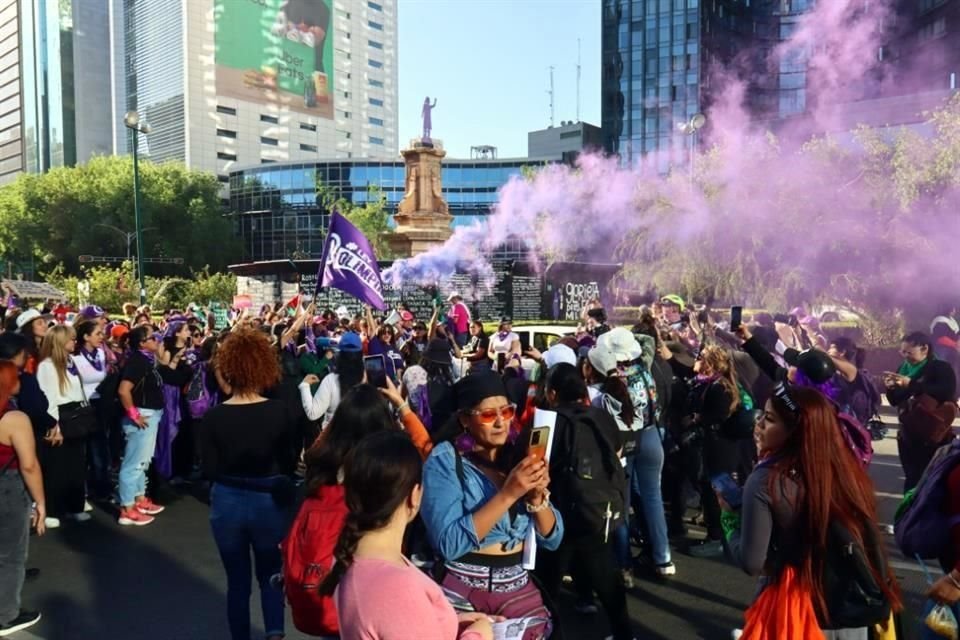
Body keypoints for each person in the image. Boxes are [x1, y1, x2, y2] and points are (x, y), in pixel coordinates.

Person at [723, 385, 900, 638]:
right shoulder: (845, 471)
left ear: (796, 432)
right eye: (762, 414)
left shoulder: (765, 480)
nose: (759, 423)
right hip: (852, 614)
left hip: (798, 612)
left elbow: (752, 562)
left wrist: (729, 521)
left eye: (770, 419)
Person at [421, 373, 562, 639]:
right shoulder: (445, 460)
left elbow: (553, 539)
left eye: (507, 411)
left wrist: (536, 499)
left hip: (518, 586)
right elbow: (448, 543)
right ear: (464, 419)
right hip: (462, 590)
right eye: (487, 415)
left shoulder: (518, 457)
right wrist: (508, 494)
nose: (500, 422)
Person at [319, 430, 494, 640]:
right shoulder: (393, 585)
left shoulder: (354, 559)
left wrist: (448, 621)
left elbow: (396, 624)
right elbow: (395, 612)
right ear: (415, 495)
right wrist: (480, 634)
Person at [200, 328, 297, 640]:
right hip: (268, 500)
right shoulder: (278, 411)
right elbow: (289, 460)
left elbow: (209, 469)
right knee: (270, 574)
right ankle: (274, 633)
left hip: (227, 501)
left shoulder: (213, 417)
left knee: (237, 582)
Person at [536, 363, 634, 640]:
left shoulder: (546, 420)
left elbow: (530, 460)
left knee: (548, 584)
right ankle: (623, 632)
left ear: (552, 393)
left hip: (558, 511)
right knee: (606, 574)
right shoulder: (601, 416)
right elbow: (617, 450)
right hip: (599, 508)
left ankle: (548, 634)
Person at [584, 334, 674, 583]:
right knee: (653, 498)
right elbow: (647, 338)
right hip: (651, 435)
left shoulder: (611, 380)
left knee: (620, 504)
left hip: (624, 441)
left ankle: (623, 564)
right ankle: (663, 558)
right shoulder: (644, 368)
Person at [659, 341, 744, 556]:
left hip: (719, 449)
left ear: (711, 364)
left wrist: (698, 418)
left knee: (716, 493)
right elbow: (681, 367)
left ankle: (718, 539)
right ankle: (717, 536)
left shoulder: (720, 387)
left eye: (701, 357)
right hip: (709, 447)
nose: (696, 359)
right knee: (709, 490)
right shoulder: (704, 382)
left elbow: (721, 414)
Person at [0, 361, 45, 637]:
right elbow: (29, 465)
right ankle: (5, 616)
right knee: (10, 556)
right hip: (6, 489)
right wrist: (40, 502)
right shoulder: (14, 419)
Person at [885, 331, 958, 492]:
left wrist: (911, 384)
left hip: (932, 433)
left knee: (930, 479)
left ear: (925, 349)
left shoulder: (940, 367)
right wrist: (891, 388)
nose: (905, 356)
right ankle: (909, 513)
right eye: (902, 352)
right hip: (908, 434)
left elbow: (948, 392)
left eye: (909, 352)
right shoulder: (904, 368)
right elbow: (894, 400)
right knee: (912, 477)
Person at [35, 325, 90, 524]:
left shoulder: (71, 361)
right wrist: (54, 427)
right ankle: (53, 510)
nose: (75, 342)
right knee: (57, 467)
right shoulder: (47, 366)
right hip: (60, 415)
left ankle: (75, 505)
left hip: (77, 415)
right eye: (71, 339)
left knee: (76, 465)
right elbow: (48, 398)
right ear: (59, 341)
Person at [116, 326, 169, 526]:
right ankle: (127, 508)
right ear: (142, 343)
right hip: (143, 414)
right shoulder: (137, 362)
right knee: (134, 463)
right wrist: (134, 415)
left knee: (142, 462)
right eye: (152, 338)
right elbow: (124, 390)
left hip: (150, 414)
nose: (157, 340)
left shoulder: (146, 360)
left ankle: (138, 499)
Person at [72, 320, 112, 501]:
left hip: (100, 405)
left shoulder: (102, 354)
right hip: (82, 406)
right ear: (86, 337)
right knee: (84, 450)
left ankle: (101, 487)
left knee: (100, 448)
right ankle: (83, 487)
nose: (101, 337)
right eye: (97, 334)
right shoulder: (75, 357)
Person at [299, 332, 364, 429]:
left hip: (334, 439)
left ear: (340, 355)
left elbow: (313, 413)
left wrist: (304, 385)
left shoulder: (331, 380)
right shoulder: (369, 377)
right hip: (363, 438)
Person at [16, 309, 52, 375]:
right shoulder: (24, 353)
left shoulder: (50, 347)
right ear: (29, 328)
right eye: (39, 323)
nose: (45, 326)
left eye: (45, 322)